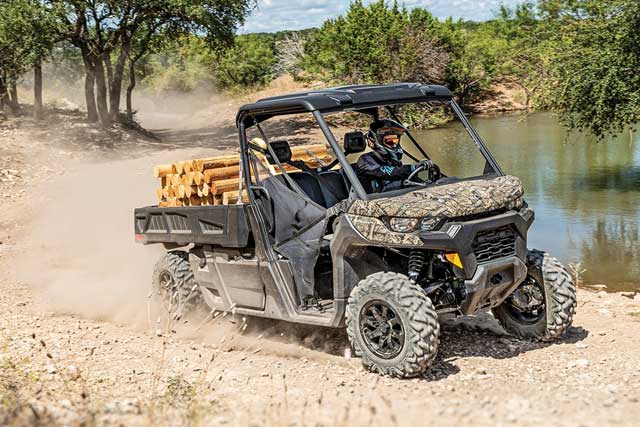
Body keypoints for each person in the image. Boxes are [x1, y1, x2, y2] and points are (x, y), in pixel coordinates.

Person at [356, 119, 426, 193]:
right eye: (389, 141)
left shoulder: (392, 161)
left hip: (396, 198)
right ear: (375, 141)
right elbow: (390, 172)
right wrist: (412, 168)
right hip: (373, 201)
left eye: (395, 141)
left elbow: (403, 177)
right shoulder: (365, 160)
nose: (394, 144)